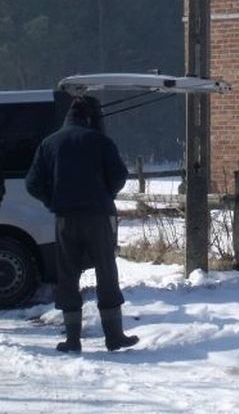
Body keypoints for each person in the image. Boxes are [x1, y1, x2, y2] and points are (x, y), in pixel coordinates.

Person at [25, 96, 138, 353]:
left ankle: (73, 339)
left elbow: (32, 183)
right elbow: (119, 175)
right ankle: (114, 335)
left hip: (65, 219)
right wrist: (105, 194)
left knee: (68, 276)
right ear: (90, 118)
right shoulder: (100, 142)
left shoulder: (49, 143)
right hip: (98, 217)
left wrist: (52, 199)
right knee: (106, 272)